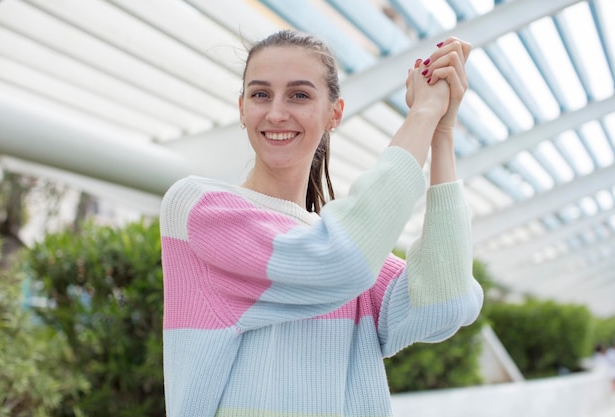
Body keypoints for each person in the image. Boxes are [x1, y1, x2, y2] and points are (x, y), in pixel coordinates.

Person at [159, 29, 483, 417]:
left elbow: (446, 302)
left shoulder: (340, 250)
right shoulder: (197, 210)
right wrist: (422, 113)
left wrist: (441, 133)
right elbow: (337, 259)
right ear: (242, 109)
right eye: (260, 94)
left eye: (299, 95)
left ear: (335, 113)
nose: (277, 112)